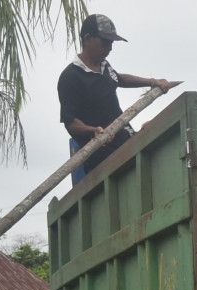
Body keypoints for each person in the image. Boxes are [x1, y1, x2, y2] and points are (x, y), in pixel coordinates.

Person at [58, 13, 176, 173]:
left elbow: (119, 79)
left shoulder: (104, 65)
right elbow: (70, 122)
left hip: (126, 143)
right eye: (105, 42)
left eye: (111, 43)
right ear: (88, 39)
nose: (110, 48)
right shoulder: (71, 77)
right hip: (103, 160)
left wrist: (152, 82)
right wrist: (94, 131)